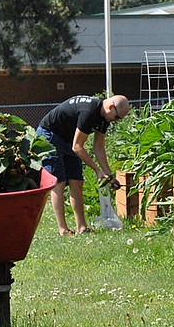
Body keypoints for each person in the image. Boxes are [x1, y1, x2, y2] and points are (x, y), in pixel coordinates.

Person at [36, 94, 130, 235]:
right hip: (49, 136)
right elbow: (78, 147)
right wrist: (97, 170)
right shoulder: (89, 112)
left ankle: (82, 228)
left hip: (68, 140)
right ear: (111, 107)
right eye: (117, 118)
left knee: (77, 181)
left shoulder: (104, 118)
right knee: (59, 182)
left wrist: (108, 174)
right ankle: (63, 229)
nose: (116, 121)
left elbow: (98, 147)